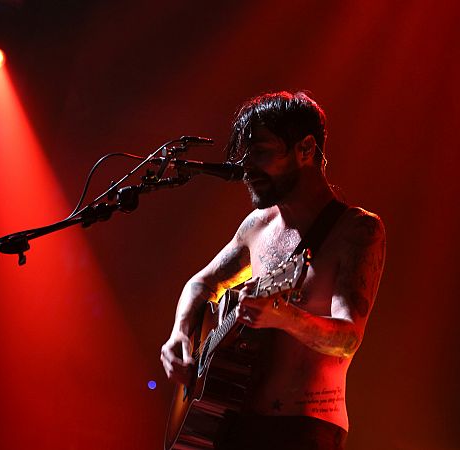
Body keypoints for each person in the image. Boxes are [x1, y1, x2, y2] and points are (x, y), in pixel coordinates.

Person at [160, 91, 386, 450]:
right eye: (245, 154)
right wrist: (179, 335)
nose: (247, 166)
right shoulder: (257, 224)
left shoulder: (357, 230)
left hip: (303, 430)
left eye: (261, 151)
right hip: (231, 425)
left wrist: (286, 318)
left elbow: (349, 339)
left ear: (306, 149)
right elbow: (200, 283)